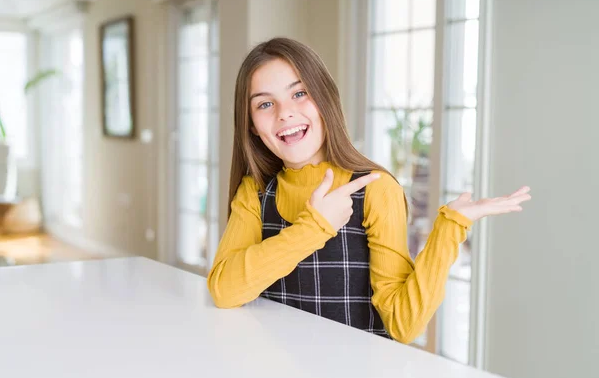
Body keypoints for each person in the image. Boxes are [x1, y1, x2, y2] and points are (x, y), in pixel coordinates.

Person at [206, 37, 531, 343]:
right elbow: (224, 288)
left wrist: (450, 226)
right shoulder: (256, 192)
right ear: (251, 125)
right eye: (265, 104)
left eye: (299, 93)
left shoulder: (375, 189)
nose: (285, 113)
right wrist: (314, 227)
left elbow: (404, 325)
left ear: (325, 98)